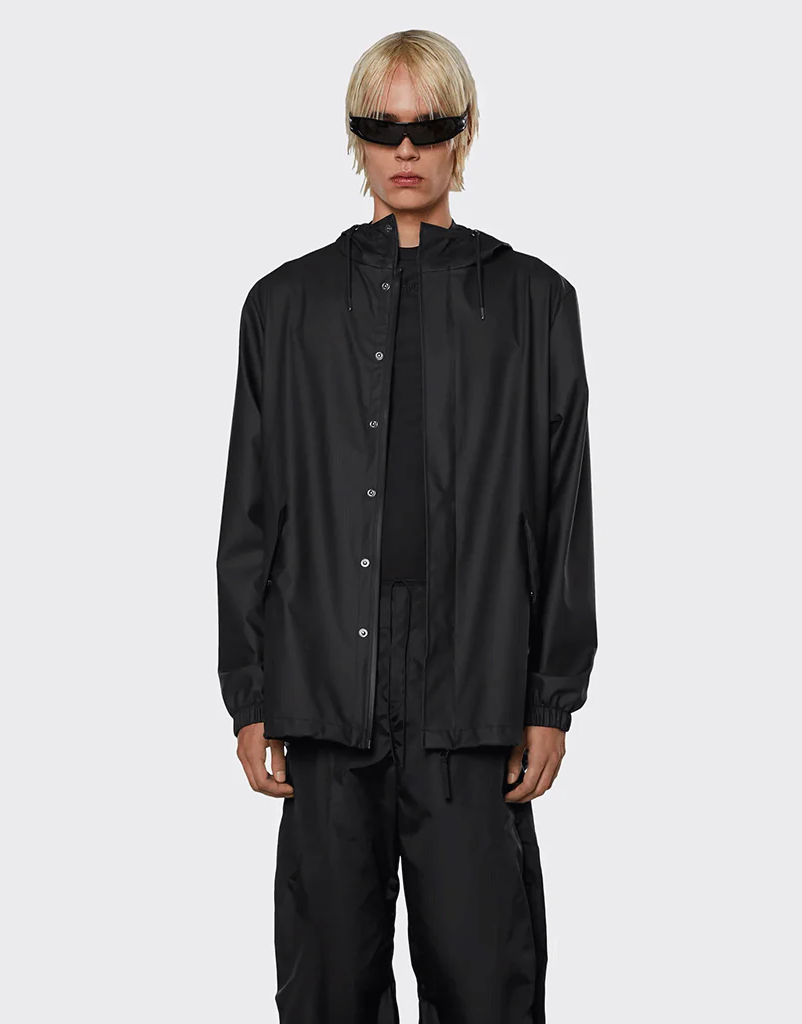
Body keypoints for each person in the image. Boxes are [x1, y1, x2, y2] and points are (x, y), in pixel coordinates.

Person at [216, 28, 597, 1023]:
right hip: (324, 688)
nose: (406, 150)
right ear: (354, 138)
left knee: (486, 982)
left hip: (473, 685)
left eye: (429, 127)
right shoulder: (285, 306)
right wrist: (249, 694)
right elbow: (249, 510)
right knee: (326, 987)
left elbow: (565, 508)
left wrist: (551, 698)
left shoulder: (534, 303)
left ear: (463, 134)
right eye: (381, 128)